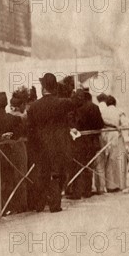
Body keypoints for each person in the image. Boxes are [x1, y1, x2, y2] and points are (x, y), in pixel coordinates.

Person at [27, 74, 73, 212]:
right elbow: (76, 102)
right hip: (58, 144)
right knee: (56, 174)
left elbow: (30, 129)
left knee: (41, 173)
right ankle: (55, 204)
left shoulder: (34, 107)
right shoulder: (62, 103)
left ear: (43, 87)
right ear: (54, 87)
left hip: (40, 145)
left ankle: (39, 205)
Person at [70, 89, 104, 199]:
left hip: (78, 141)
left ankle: (77, 192)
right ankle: (87, 190)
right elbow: (100, 124)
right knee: (88, 166)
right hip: (92, 141)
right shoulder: (94, 107)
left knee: (77, 167)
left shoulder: (74, 108)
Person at [101, 95, 129, 192]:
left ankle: (109, 185)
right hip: (116, 136)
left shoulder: (103, 111)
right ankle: (120, 184)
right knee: (119, 159)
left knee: (108, 160)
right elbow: (126, 124)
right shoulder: (119, 111)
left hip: (105, 135)